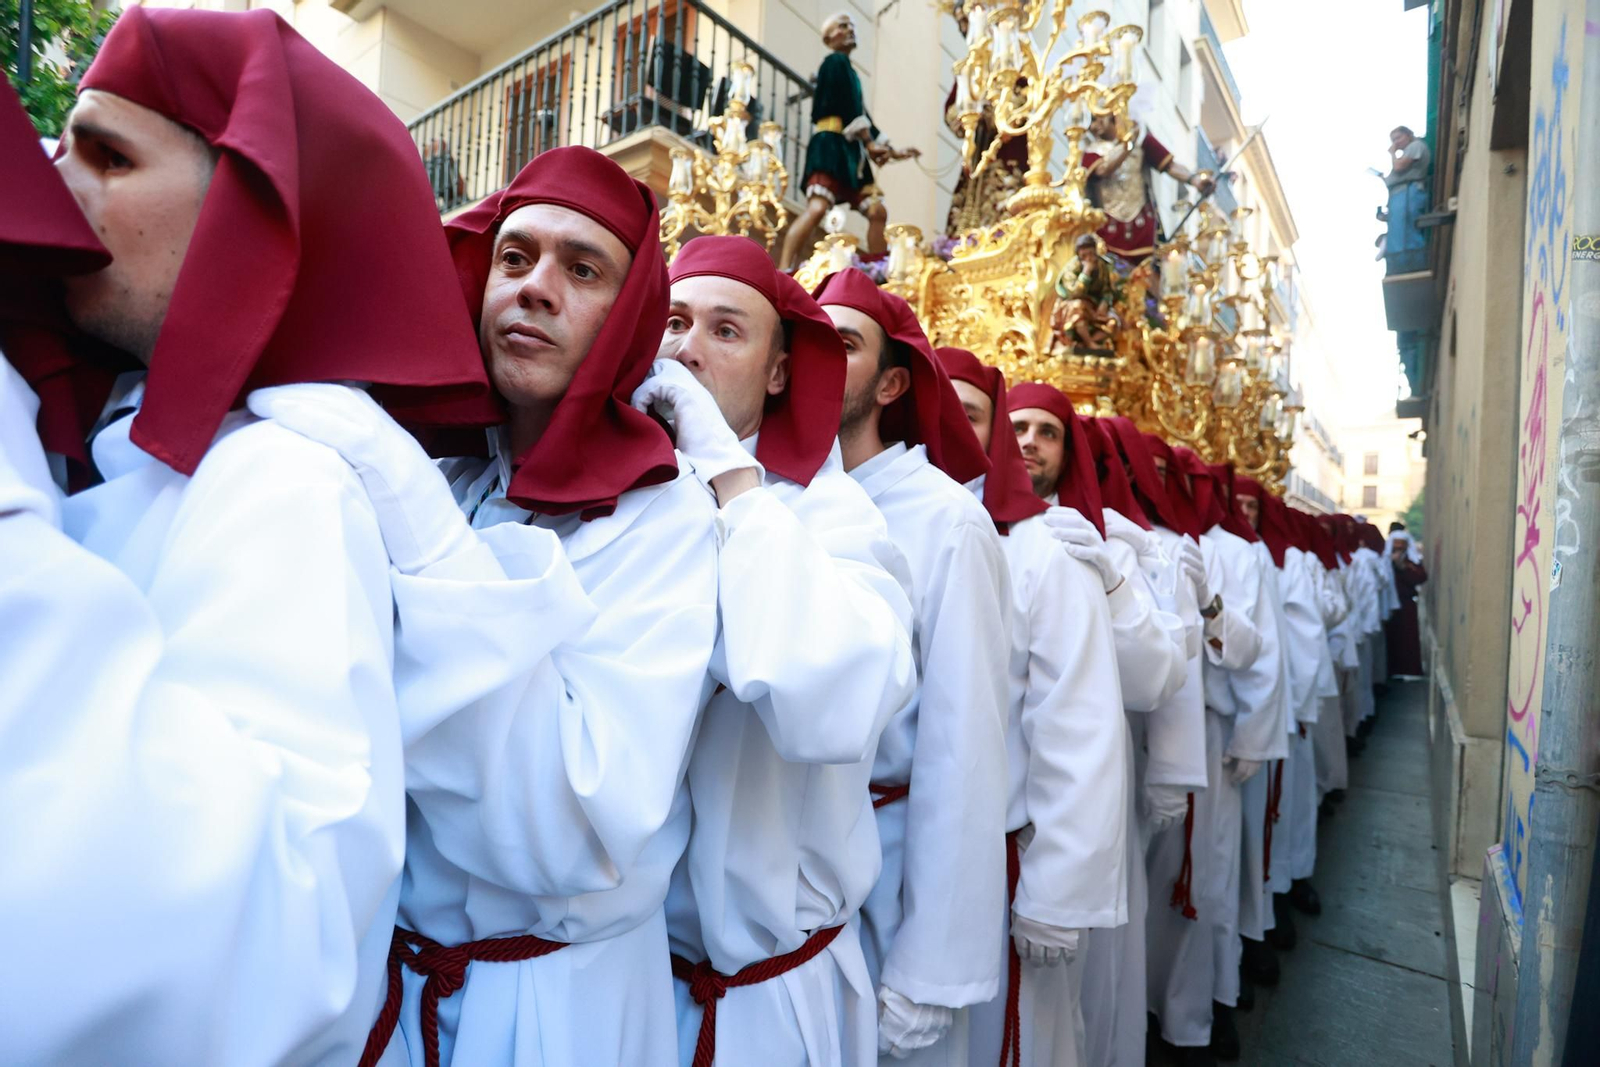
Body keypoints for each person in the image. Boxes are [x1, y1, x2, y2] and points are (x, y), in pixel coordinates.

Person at [3, 10, 570, 1063]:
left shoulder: (283, 476)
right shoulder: (109, 430)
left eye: (108, 155)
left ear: (245, 216)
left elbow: (268, 948)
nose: (51, 174)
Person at [323, 147, 724, 1067]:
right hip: (397, 978)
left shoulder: (664, 518)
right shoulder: (453, 479)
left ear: (628, 317)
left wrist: (426, 535)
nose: (534, 286)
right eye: (515, 257)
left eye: (582, 270)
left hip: (552, 1004)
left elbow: (574, 826)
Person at [651, 235, 918, 1066]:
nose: (687, 349)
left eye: (726, 330)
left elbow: (841, 696)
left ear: (778, 372)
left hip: (763, 997)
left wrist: (732, 479)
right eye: (673, 322)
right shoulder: (616, 494)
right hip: (621, 979)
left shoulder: (831, 513)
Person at [812, 271, 1009, 1066]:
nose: (821, 357)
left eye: (845, 344)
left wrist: (932, 967)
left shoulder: (948, 520)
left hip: (892, 877)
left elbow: (964, 754)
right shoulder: (776, 493)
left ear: (892, 384)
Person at [935, 349, 1130, 1067]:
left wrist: (1056, 890)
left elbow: (1078, 729)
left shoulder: (1047, 549)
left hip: (1000, 859)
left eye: (972, 416)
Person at [780, 12, 920, 270]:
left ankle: (879, 268)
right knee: (818, 208)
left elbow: (860, 113)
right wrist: (869, 143)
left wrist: (890, 150)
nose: (849, 30)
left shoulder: (849, 71)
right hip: (830, 145)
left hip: (849, 151)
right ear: (829, 37)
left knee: (877, 212)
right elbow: (849, 109)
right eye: (842, 26)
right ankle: (784, 266)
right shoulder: (834, 62)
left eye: (851, 26)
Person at [1226, 476, 1294, 1001]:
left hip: (1241, 725)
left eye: (1254, 505)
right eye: (1239, 504)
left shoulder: (1254, 555)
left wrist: (1259, 730)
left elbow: (1270, 649)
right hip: (1205, 724)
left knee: (1248, 843)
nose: (1246, 513)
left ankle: (1254, 933)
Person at [1084, 110, 1214, 265]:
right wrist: (1128, 144)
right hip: (1107, 227)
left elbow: (1170, 166)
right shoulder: (1092, 152)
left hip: (1141, 224)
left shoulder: (1142, 141)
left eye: (1096, 119)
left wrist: (1195, 180)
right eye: (1091, 121)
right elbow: (1103, 169)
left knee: (1149, 270)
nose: (1093, 126)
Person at [1054, 233, 1122, 351]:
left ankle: (1091, 343)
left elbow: (1107, 290)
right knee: (1078, 307)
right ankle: (1088, 342)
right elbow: (1075, 293)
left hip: (1095, 306)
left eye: (1091, 254)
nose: (1089, 258)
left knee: (1113, 322)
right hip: (1073, 305)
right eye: (1084, 255)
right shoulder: (1072, 268)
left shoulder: (1102, 266)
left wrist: (1104, 303)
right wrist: (1086, 272)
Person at [1382, 126, 1430, 271]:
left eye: (1398, 138)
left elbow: (1399, 166)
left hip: (1409, 191)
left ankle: (1412, 261)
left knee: (1407, 226)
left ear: (1408, 135)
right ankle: (1403, 261)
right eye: (1393, 140)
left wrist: (1392, 153)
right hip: (1401, 193)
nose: (1396, 143)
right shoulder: (1409, 149)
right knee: (1400, 229)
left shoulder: (1416, 145)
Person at [1386, 524, 1428, 677]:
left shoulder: (1411, 561)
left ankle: (1408, 670)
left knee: (1407, 639)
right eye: (1395, 544)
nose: (1398, 548)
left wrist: (1402, 567)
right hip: (1388, 605)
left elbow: (1421, 577)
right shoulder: (1385, 560)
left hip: (1406, 604)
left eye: (1401, 545)